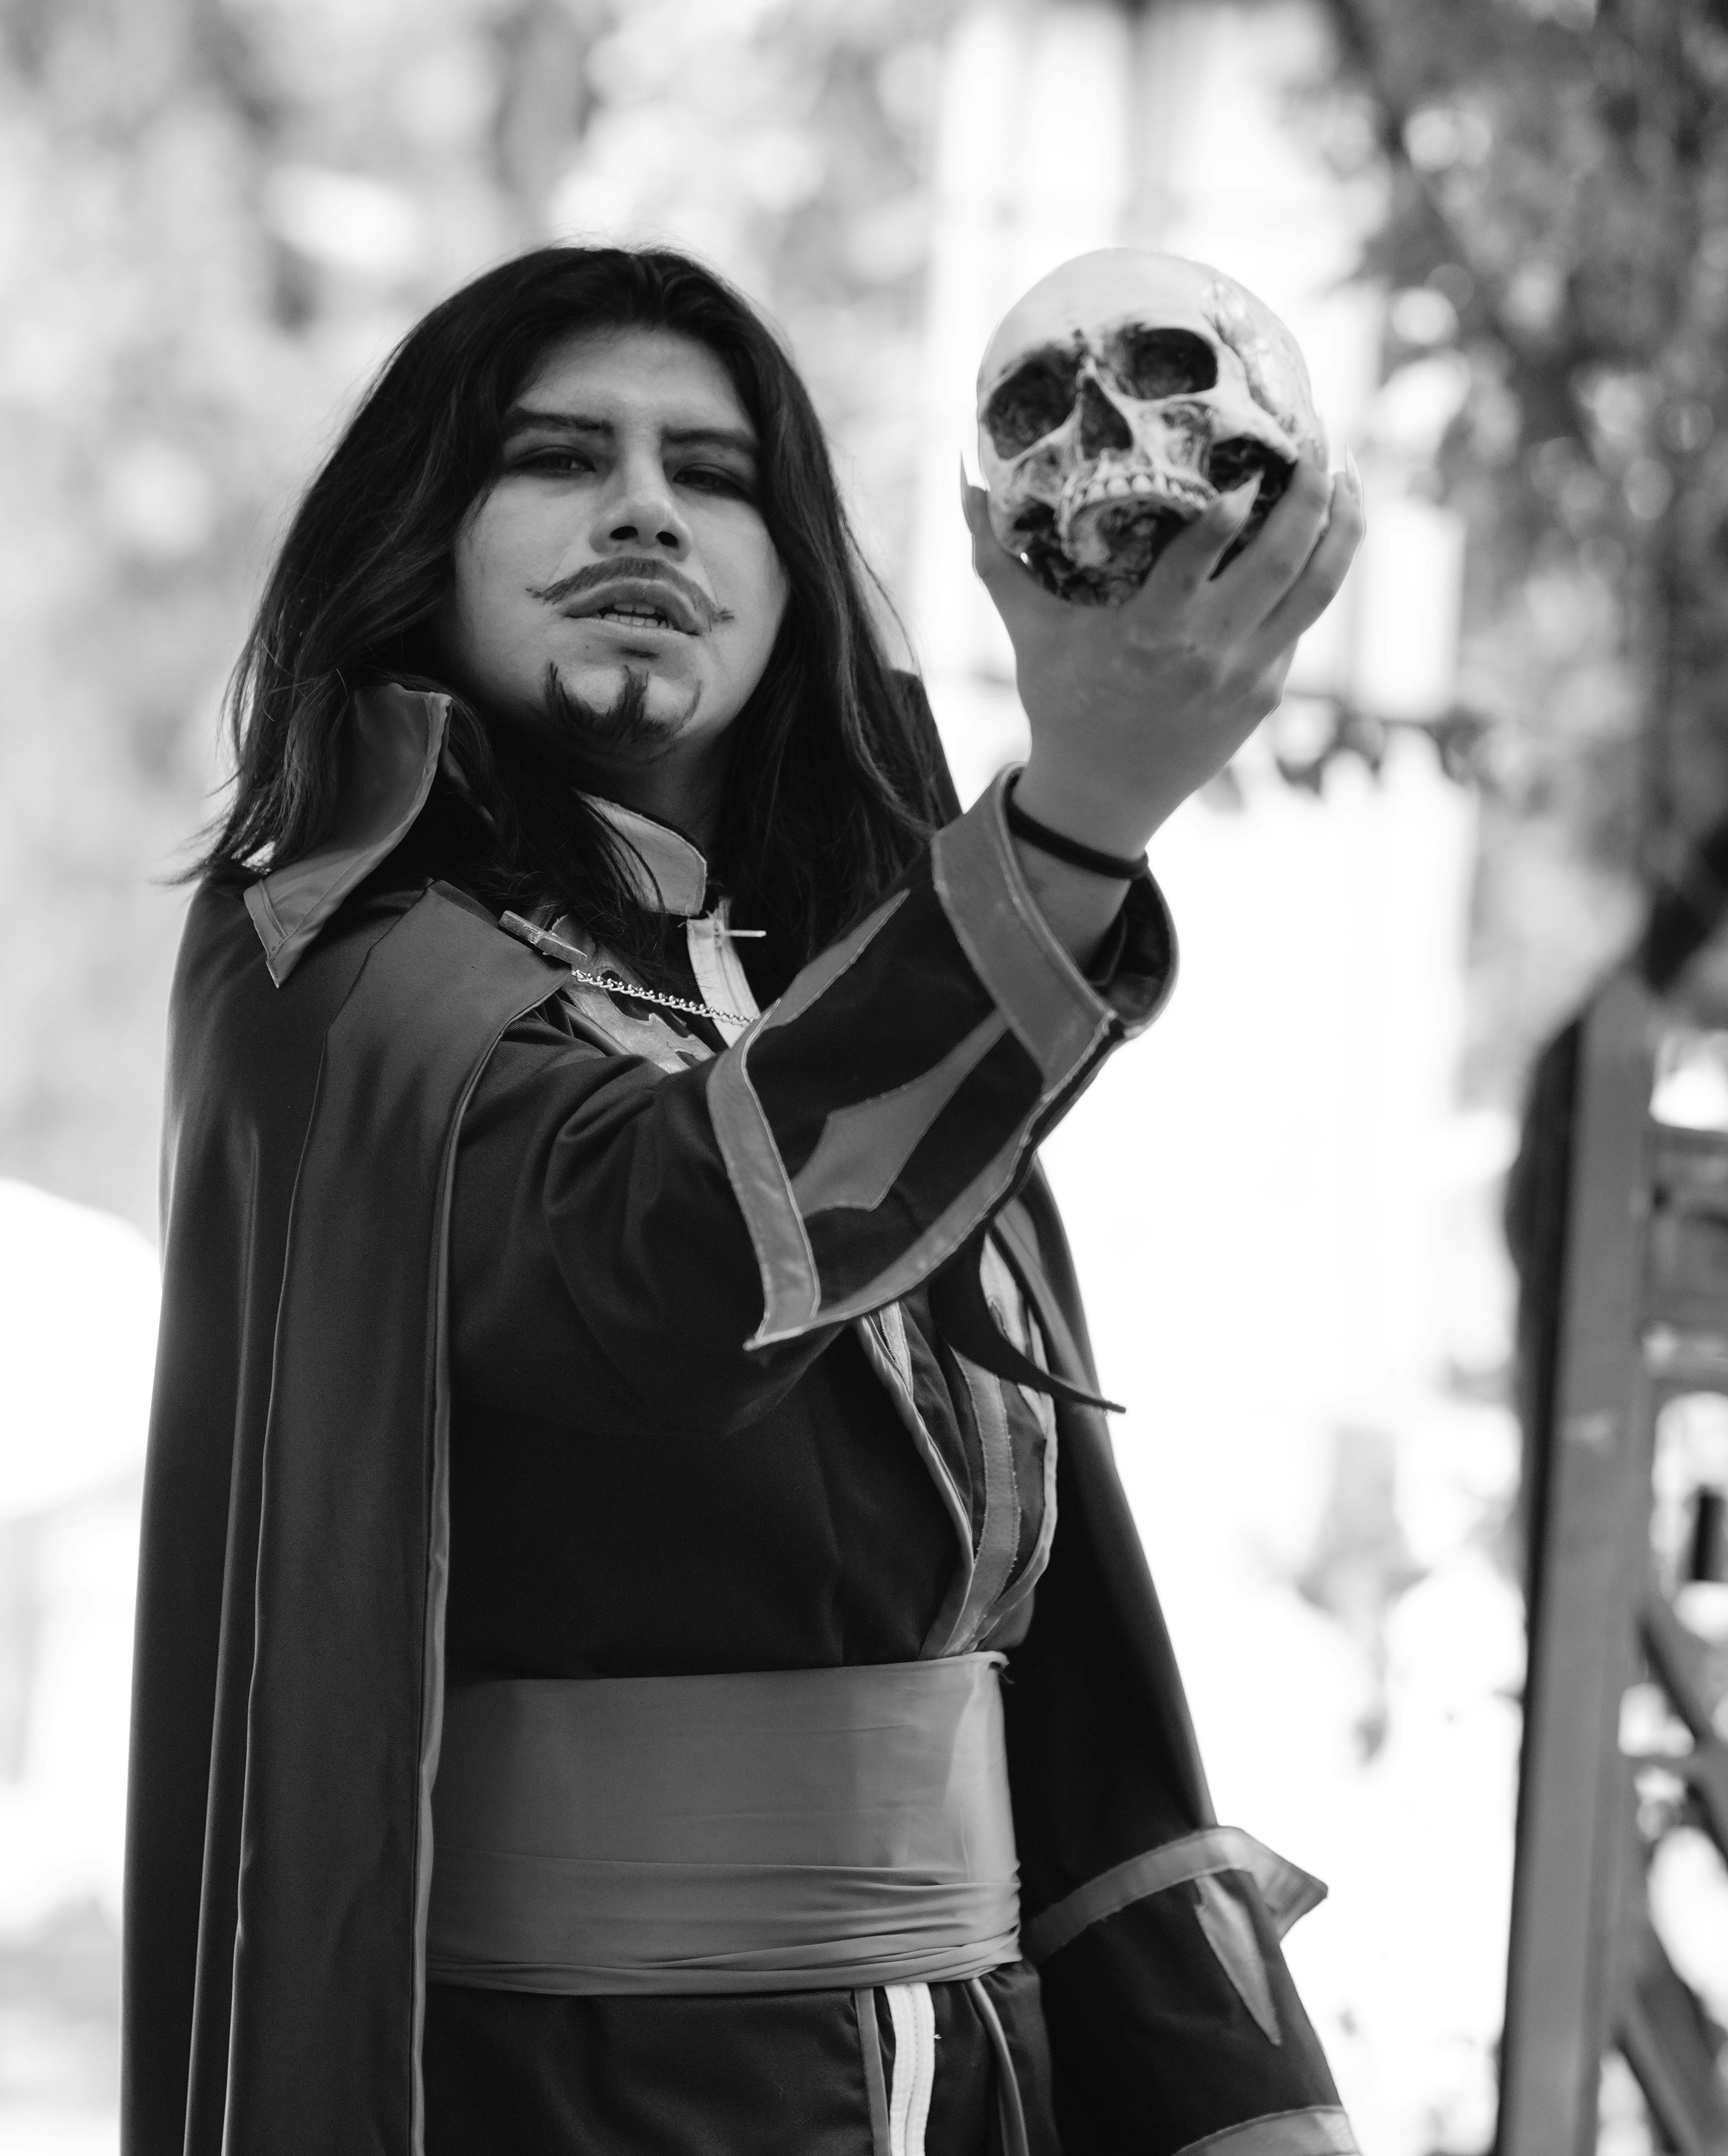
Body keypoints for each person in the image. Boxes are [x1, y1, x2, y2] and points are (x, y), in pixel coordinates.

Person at [123, 244, 1364, 2156]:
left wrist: (1238, 2106)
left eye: (713, 475)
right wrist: (1075, 827)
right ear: (421, 544)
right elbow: (666, 1284)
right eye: (559, 457)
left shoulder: (868, 985)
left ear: (791, 572)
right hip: (566, 2106)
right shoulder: (337, 973)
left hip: (982, 2091)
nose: (644, 504)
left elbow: (1074, 1673)